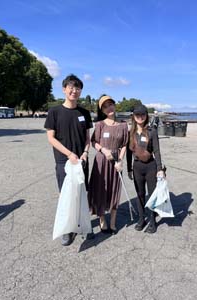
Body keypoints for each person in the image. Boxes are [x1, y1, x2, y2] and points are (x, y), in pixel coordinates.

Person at [44, 74, 93, 246]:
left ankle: (82, 224)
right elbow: (51, 138)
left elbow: (88, 138)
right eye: (71, 87)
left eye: (78, 88)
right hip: (63, 162)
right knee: (65, 195)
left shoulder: (84, 113)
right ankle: (67, 230)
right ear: (64, 89)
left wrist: (85, 153)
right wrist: (69, 154)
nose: (74, 91)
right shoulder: (55, 112)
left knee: (81, 193)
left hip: (81, 160)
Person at [88, 95, 128, 234]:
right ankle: (102, 219)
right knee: (101, 189)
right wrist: (103, 150)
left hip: (116, 161)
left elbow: (124, 144)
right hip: (102, 160)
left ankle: (112, 221)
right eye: (105, 106)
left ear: (114, 105)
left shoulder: (123, 125)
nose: (109, 108)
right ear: (102, 110)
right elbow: (93, 141)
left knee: (114, 189)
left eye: (110, 104)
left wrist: (120, 161)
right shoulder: (100, 125)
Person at [126, 104, 165, 234]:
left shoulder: (151, 131)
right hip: (137, 167)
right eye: (138, 115)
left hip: (150, 167)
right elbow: (127, 153)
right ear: (134, 116)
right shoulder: (130, 133)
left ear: (146, 116)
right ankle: (142, 219)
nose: (140, 117)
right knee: (140, 195)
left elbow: (157, 151)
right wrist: (129, 169)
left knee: (152, 195)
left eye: (143, 114)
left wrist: (159, 168)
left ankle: (153, 221)